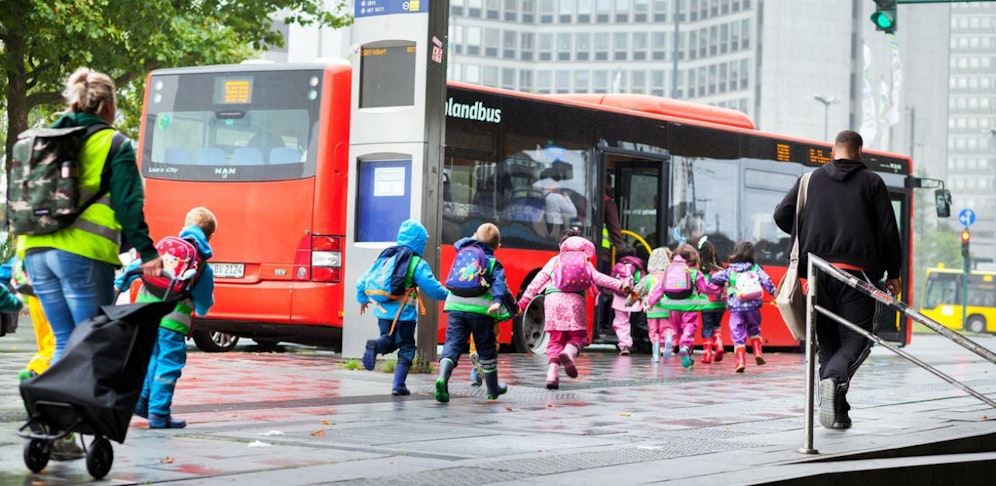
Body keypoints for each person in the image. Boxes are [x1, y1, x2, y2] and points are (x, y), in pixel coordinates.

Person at [19, 67, 163, 367]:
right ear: (108, 104)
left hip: (34, 251)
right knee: (90, 345)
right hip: (82, 254)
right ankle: (80, 413)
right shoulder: (114, 143)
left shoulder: (46, 138)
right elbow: (128, 204)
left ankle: (57, 412)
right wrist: (148, 253)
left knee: (64, 341)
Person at [773, 129, 902, 430]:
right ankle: (834, 381)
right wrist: (893, 273)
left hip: (818, 276)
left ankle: (837, 412)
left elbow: (781, 215)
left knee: (828, 345)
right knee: (858, 339)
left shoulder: (810, 180)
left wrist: (808, 236)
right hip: (858, 277)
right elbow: (888, 231)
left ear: (833, 151)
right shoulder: (872, 182)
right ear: (859, 151)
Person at [117, 207, 217, 429]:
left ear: (185, 226)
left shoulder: (167, 248)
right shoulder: (200, 263)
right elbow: (202, 304)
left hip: (145, 313)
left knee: (150, 358)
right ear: (209, 236)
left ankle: (142, 402)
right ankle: (159, 413)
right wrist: (201, 308)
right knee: (169, 364)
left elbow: (136, 267)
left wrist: (119, 284)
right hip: (172, 320)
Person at [517, 229, 629, 390]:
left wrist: (522, 303)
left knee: (555, 340)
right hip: (575, 302)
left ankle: (552, 374)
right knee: (578, 336)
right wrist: (621, 285)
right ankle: (569, 352)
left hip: (553, 301)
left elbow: (536, 283)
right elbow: (600, 279)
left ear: (561, 245)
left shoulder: (555, 261)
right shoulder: (585, 262)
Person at [357, 219, 449, 396]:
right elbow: (432, 288)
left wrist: (362, 299)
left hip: (383, 313)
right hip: (404, 316)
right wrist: (450, 295)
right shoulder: (416, 263)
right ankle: (398, 385)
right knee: (406, 347)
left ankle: (376, 345)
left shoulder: (386, 257)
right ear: (420, 242)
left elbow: (362, 281)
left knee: (389, 341)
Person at [435, 223, 518, 403]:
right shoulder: (493, 263)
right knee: (486, 348)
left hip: (455, 306)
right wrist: (497, 302)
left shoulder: (462, 251)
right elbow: (499, 285)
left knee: (453, 343)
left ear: (474, 237)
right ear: (497, 246)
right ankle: (492, 388)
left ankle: (442, 377)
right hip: (481, 310)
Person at [644, 243, 721, 369]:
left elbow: (658, 289)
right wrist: (720, 288)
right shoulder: (694, 273)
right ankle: (685, 346)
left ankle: (688, 353)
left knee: (678, 330)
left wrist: (650, 303)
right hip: (689, 307)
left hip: (672, 308)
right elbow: (707, 288)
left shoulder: (668, 271)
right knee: (689, 328)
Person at [708, 241, 777, 373]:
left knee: (738, 333)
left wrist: (723, 282)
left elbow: (715, 278)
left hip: (736, 307)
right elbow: (767, 281)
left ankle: (740, 361)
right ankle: (757, 352)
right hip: (753, 306)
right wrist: (774, 293)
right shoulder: (755, 268)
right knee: (754, 329)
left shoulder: (730, 270)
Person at [627, 247, 673, 363]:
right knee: (667, 329)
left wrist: (629, 302)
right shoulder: (669, 277)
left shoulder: (648, 278)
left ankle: (656, 356)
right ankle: (668, 340)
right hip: (667, 309)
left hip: (651, 310)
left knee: (653, 332)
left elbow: (637, 292)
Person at [10, 258, 52, 382]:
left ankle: (36, 373)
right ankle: (37, 372)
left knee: (45, 340)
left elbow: (15, 262)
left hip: (33, 290)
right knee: (58, 339)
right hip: (56, 290)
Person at [609, 245, 645, 355]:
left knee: (621, 322)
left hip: (620, 299)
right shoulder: (639, 267)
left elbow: (611, 281)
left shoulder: (617, 267)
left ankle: (625, 345)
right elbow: (643, 283)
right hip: (634, 298)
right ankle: (638, 342)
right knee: (634, 322)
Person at [698, 238, 727, 364]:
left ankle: (707, 354)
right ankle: (719, 345)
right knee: (716, 325)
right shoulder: (721, 269)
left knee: (707, 326)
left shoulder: (701, 271)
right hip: (721, 304)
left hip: (706, 304)